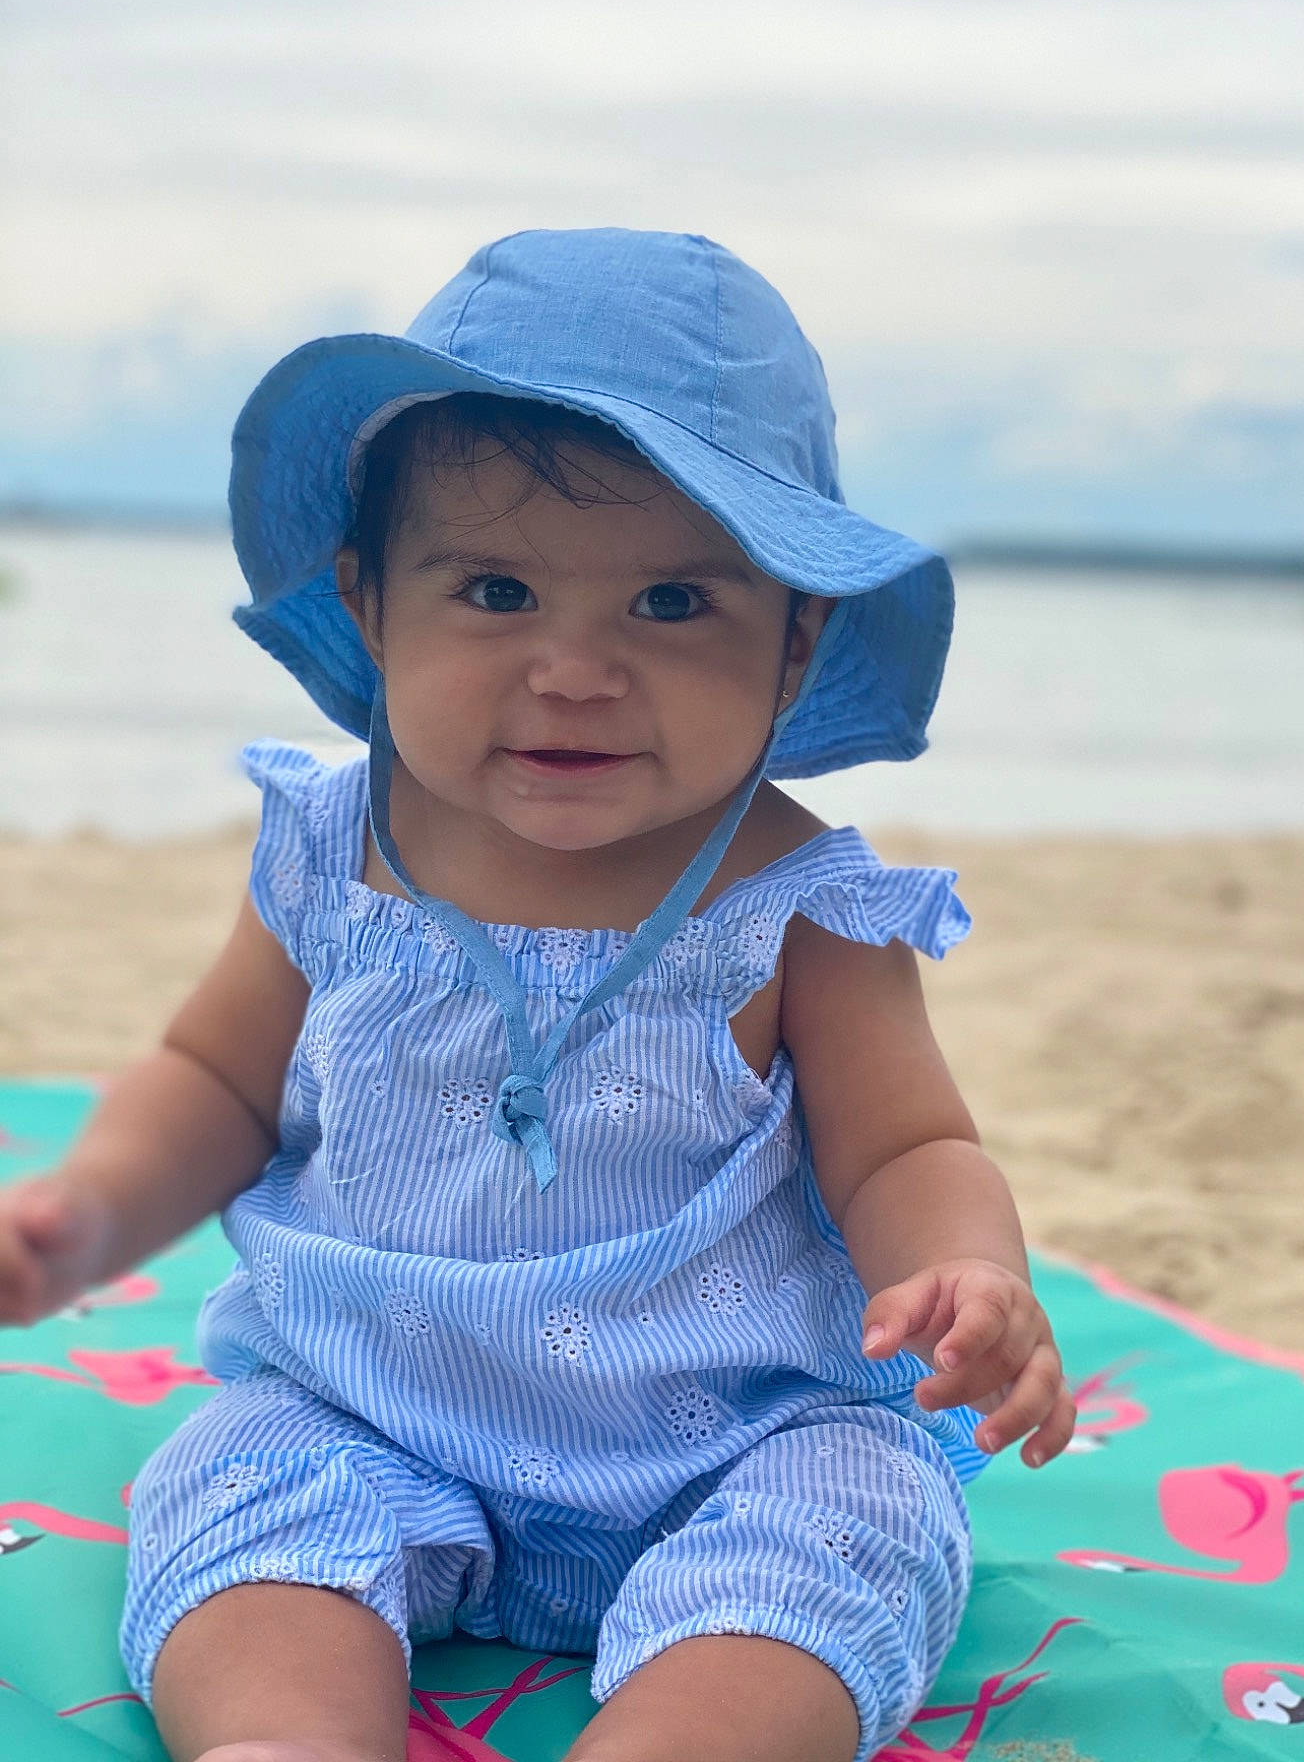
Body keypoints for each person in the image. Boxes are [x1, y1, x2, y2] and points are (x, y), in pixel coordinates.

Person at [0, 230, 1073, 1762]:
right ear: (370, 605)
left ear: (799, 638)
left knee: (853, 1524)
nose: (574, 669)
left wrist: (966, 1277)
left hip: (740, 1431)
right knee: (237, 1486)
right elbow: (220, 1084)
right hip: (369, 1400)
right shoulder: (332, 849)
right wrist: (88, 1211)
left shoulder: (801, 906)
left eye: (673, 605)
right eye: (496, 590)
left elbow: (907, 1149)